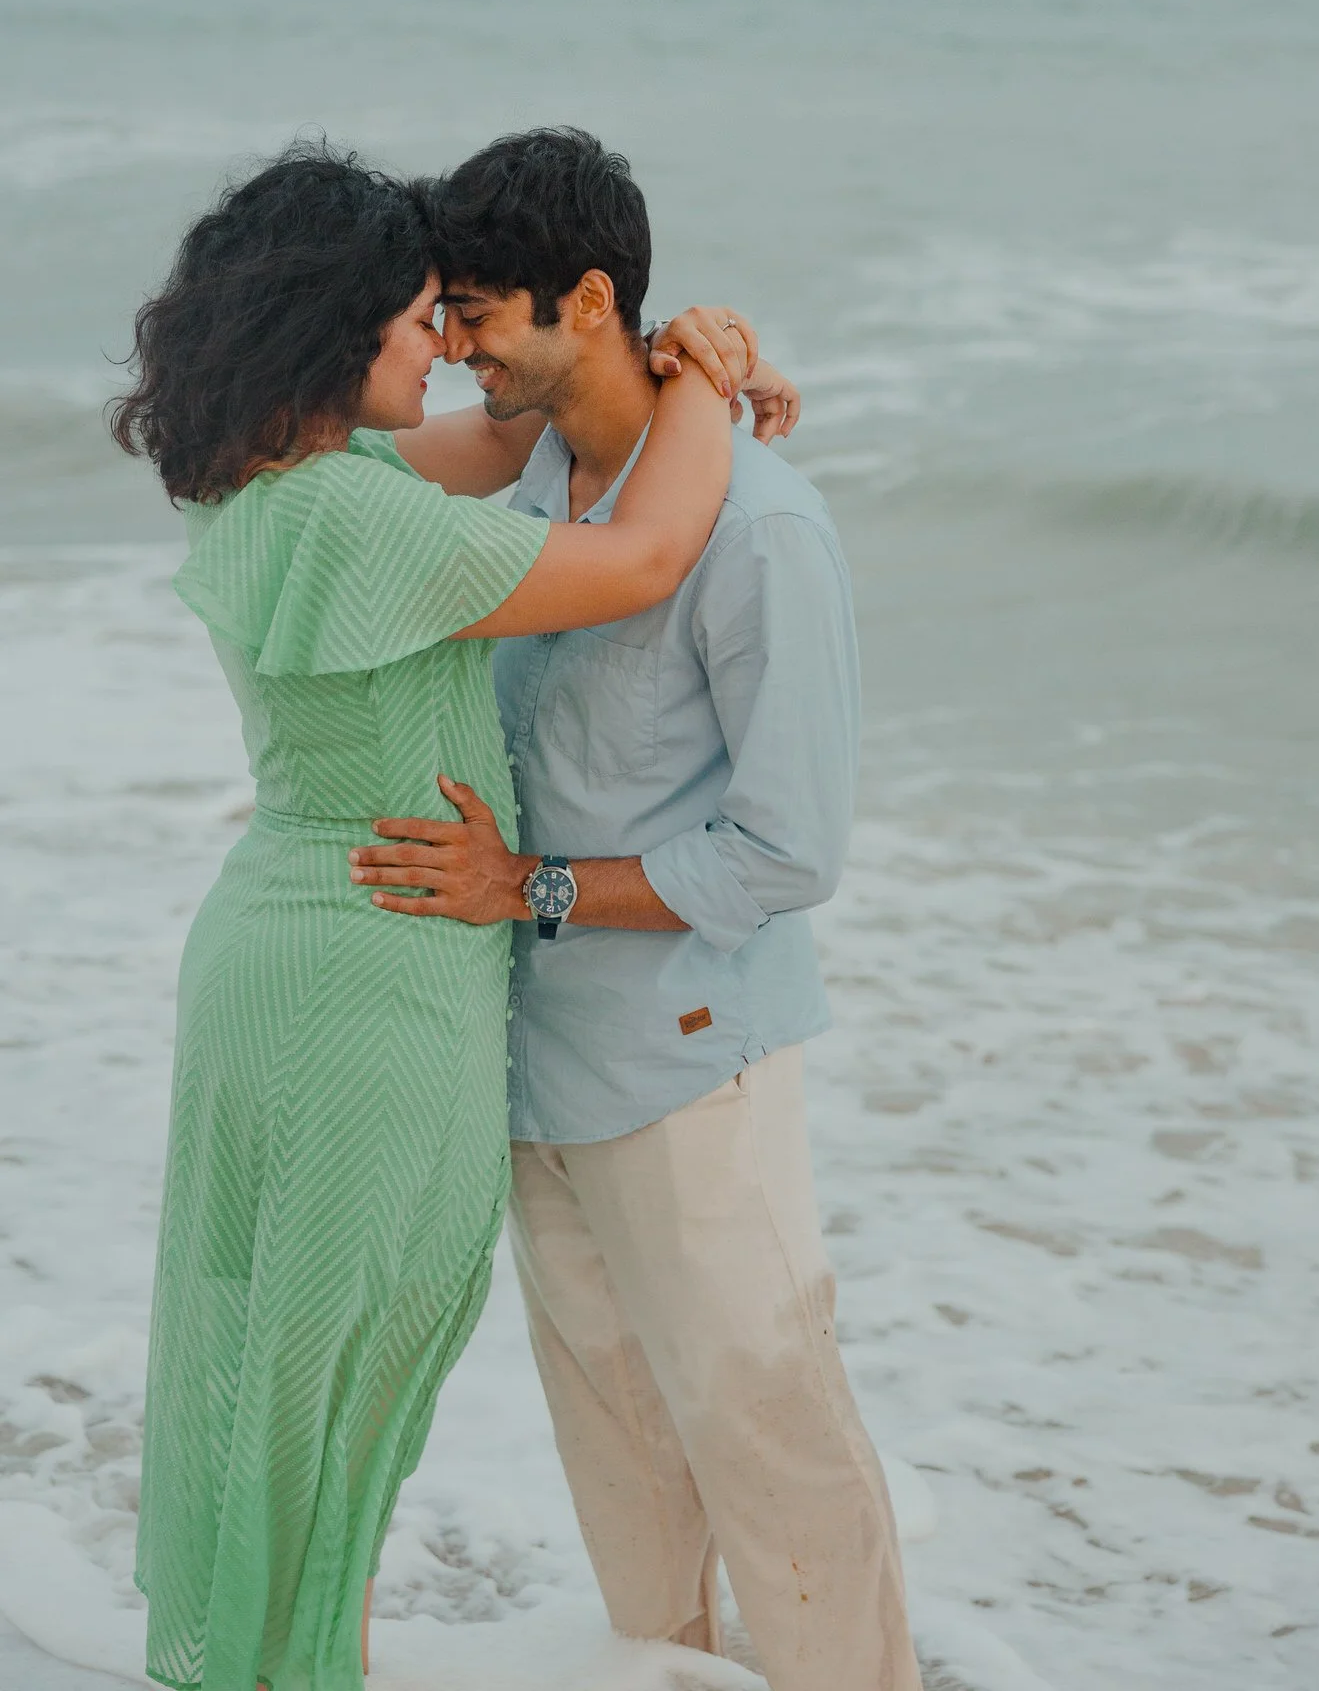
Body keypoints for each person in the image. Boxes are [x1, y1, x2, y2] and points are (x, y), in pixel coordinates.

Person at [110, 144, 752, 1691]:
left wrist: (670, 360)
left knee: (278, 1354)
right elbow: (646, 556)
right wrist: (716, 388)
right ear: (339, 342)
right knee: (341, 1366)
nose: (446, 346)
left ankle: (280, 1656)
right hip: (368, 977)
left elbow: (503, 434)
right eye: (416, 322)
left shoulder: (278, 487)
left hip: (280, 945)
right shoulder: (363, 518)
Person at [347, 128, 924, 1691]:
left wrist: (522, 887)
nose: (454, 346)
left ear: (587, 299)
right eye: (443, 314)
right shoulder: (530, 476)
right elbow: (306, 466)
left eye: (475, 312)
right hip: (538, 1069)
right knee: (625, 1482)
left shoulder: (763, 530)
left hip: (688, 1070)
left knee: (775, 1456)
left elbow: (787, 852)